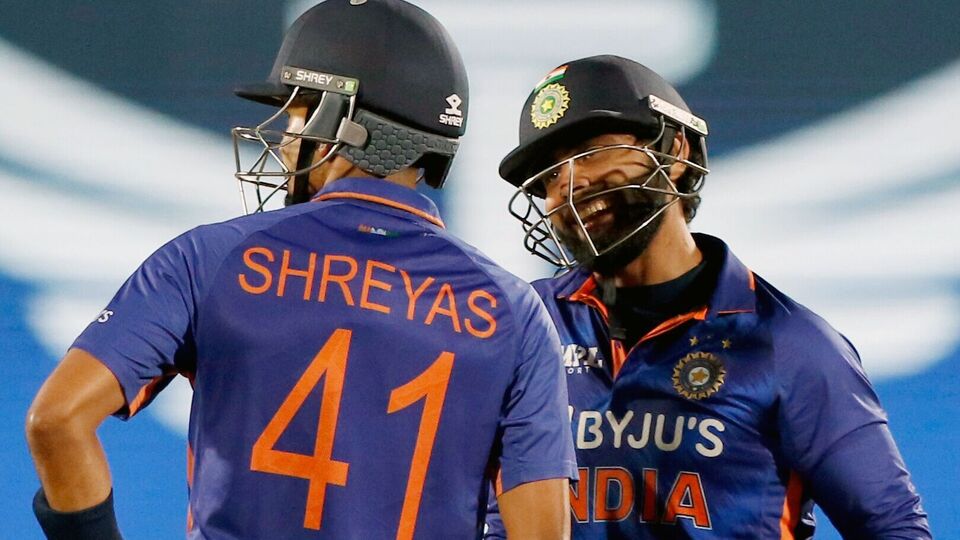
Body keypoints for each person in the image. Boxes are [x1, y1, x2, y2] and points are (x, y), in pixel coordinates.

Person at [25, 1, 576, 538]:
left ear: (345, 123)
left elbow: (57, 419)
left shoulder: (211, 259)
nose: (286, 140)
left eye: (295, 113)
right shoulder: (515, 312)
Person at [487, 54, 930, 538]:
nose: (570, 186)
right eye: (550, 176)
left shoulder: (789, 344)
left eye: (591, 152)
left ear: (675, 150)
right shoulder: (527, 323)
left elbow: (893, 526)